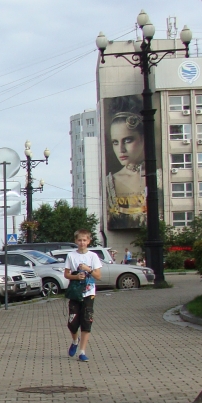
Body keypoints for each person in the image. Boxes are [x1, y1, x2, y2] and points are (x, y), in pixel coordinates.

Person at [64, 229, 103, 363]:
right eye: (80, 240)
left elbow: (98, 276)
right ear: (76, 241)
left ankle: (82, 351)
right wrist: (76, 276)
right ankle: (75, 340)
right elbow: (66, 274)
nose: (82, 243)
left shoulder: (93, 256)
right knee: (72, 322)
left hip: (88, 293)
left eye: (84, 240)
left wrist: (88, 269)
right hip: (75, 293)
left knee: (86, 321)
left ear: (89, 241)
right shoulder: (71, 256)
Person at [105, 111, 146, 227]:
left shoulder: (159, 176)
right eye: (115, 142)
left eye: (128, 140)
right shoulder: (110, 182)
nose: (121, 149)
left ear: (142, 138)